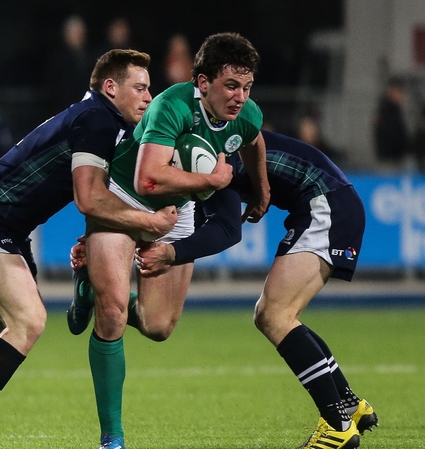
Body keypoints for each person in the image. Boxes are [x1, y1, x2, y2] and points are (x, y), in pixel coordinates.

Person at [0, 49, 179, 449]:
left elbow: (94, 194)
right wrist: (151, 223)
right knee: (28, 321)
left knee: (3, 328)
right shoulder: (98, 118)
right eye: (141, 88)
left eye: (150, 89)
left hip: (6, 225)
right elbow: (89, 198)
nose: (149, 97)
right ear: (110, 87)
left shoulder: (96, 115)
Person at [73, 131, 378, 449]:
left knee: (275, 316)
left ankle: (337, 425)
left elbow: (228, 230)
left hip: (325, 205)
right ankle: (349, 405)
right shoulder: (202, 143)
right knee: (273, 315)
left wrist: (171, 253)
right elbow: (211, 215)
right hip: (328, 202)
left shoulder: (205, 159)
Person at [66, 32, 269, 449]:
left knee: (158, 327)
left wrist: (262, 189)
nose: (240, 97)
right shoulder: (171, 105)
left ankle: (87, 283)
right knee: (114, 312)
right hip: (123, 201)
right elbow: (148, 178)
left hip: (177, 215)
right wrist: (212, 180)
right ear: (202, 83)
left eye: (246, 87)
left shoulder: (246, 113)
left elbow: (254, 142)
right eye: (231, 86)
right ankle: (113, 437)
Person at [373, 76, 409, 167]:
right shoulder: (386, 110)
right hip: (390, 158)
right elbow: (390, 134)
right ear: (391, 92)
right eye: (399, 92)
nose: (402, 95)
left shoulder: (396, 110)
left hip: (395, 156)